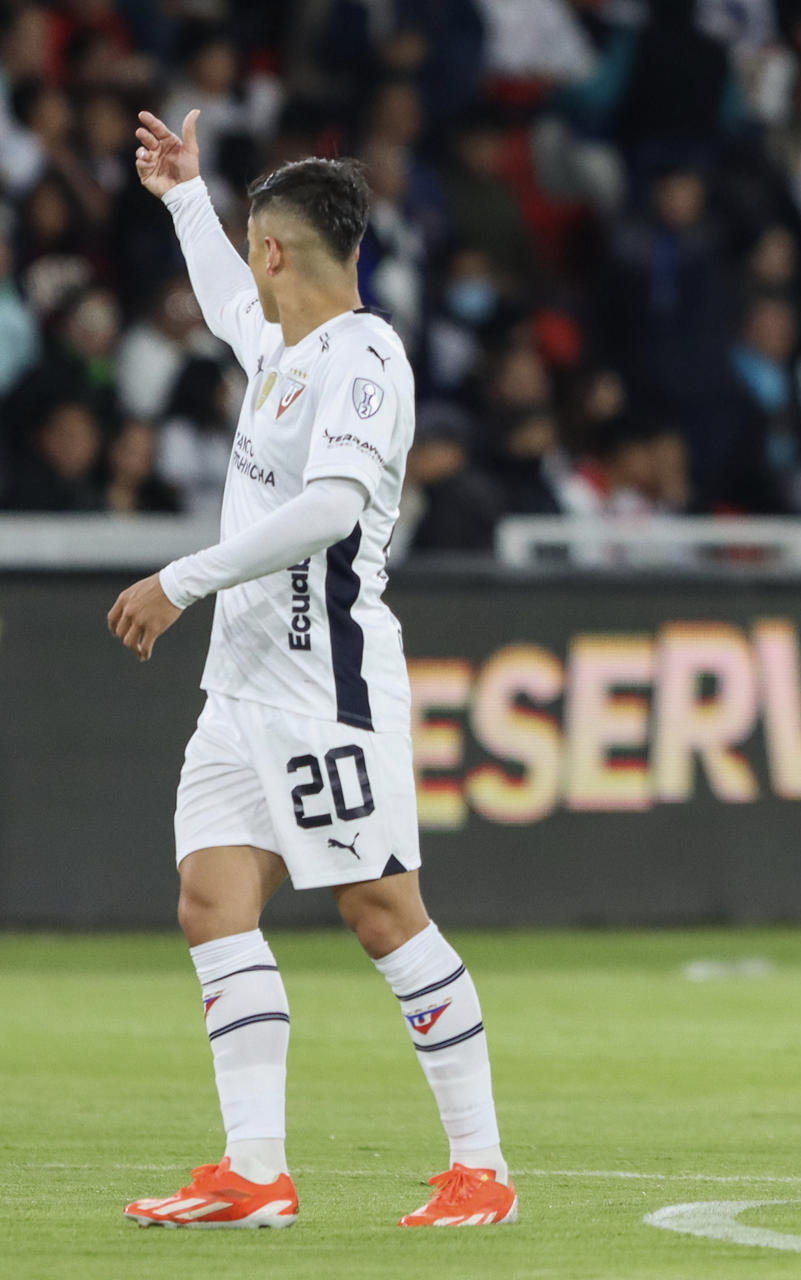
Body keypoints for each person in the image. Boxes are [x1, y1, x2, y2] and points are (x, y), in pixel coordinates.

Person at [108, 110, 517, 1230]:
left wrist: (183, 579)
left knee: (385, 912)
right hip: (239, 691)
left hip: (324, 687)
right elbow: (225, 303)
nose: (246, 268)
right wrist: (183, 196)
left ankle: (481, 1169)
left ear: (276, 251)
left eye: (251, 246)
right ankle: (255, 1172)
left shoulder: (365, 361)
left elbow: (333, 507)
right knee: (212, 901)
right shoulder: (283, 346)